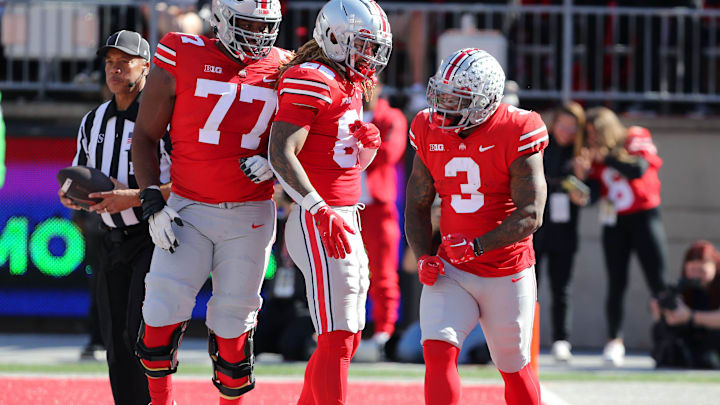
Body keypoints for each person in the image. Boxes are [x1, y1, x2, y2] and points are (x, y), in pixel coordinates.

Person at [130, 1, 289, 404]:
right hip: (189, 208)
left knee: (235, 330)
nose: (257, 34)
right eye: (247, 23)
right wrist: (152, 199)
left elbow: (311, 136)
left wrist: (276, 159)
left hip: (250, 214)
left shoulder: (286, 66)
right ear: (220, 19)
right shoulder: (179, 51)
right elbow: (146, 136)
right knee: (160, 316)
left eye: (264, 25)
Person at [405, 48, 547, 405]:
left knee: (513, 366)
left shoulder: (519, 128)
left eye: (458, 99)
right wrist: (424, 255)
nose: (445, 107)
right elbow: (417, 203)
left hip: (506, 270)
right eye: (443, 95)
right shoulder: (425, 126)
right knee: (437, 352)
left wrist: (479, 245)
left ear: (487, 100)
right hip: (452, 267)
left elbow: (531, 213)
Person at [267, 0, 392, 403]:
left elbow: (335, 159)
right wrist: (319, 209)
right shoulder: (313, 77)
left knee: (351, 333)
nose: (370, 56)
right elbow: (281, 152)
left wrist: (365, 151)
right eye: (363, 44)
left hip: (343, 213)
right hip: (318, 215)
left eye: (375, 47)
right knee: (337, 333)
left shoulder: (348, 82)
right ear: (335, 38)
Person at [58, 30, 169, 405]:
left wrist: (134, 197)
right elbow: (81, 170)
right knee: (115, 342)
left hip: (155, 238)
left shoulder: (164, 118)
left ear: (147, 67)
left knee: (140, 333)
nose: (115, 69)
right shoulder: (93, 121)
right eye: (110, 63)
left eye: (125, 62)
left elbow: (187, 184)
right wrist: (72, 196)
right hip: (110, 240)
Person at [573, 106, 668, 367]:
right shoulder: (593, 155)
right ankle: (614, 341)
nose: (592, 138)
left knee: (658, 281)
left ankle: (668, 335)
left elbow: (638, 168)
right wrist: (581, 180)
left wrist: (608, 156)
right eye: (588, 134)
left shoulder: (634, 136)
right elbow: (591, 195)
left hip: (644, 217)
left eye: (595, 132)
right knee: (616, 282)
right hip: (614, 222)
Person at [355, 78, 407, 360]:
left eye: (370, 84)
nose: (365, 90)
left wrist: (354, 145)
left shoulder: (391, 117)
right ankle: (344, 329)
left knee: (383, 273)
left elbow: (390, 153)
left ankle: (384, 331)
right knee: (344, 273)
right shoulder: (345, 112)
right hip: (347, 206)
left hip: (378, 207)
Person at [532, 102, 588, 362]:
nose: (566, 131)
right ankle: (525, 335)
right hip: (536, 225)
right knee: (530, 285)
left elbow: (590, 195)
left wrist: (581, 179)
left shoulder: (581, 155)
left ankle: (561, 340)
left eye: (572, 126)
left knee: (561, 287)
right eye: (562, 124)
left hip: (564, 228)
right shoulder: (541, 146)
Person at [651, 240, 720, 369]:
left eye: (701, 270)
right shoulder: (683, 287)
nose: (696, 275)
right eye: (693, 270)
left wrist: (690, 316)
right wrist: (662, 314)